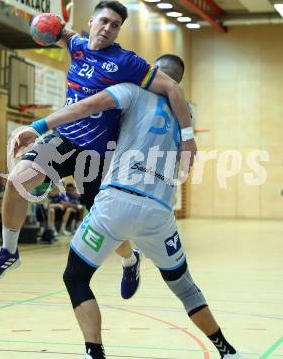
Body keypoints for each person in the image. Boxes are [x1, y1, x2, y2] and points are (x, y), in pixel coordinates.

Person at [21, 55, 245, 359]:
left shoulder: (131, 89)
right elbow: (186, 161)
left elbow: (85, 107)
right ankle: (228, 351)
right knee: (185, 287)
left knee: (75, 276)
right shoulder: (186, 114)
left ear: (152, 71)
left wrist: (40, 125)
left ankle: (95, 352)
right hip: (160, 211)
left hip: (117, 202)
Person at [0, 0, 196, 292]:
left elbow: (172, 87)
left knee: (109, 228)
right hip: (64, 140)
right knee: (16, 181)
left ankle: (130, 261)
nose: (108, 28)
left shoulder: (125, 63)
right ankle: (9, 252)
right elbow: (63, 34)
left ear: (118, 31)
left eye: (115, 25)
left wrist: (188, 137)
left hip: (98, 155)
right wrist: (49, 27)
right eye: (104, 21)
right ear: (91, 22)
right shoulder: (77, 46)